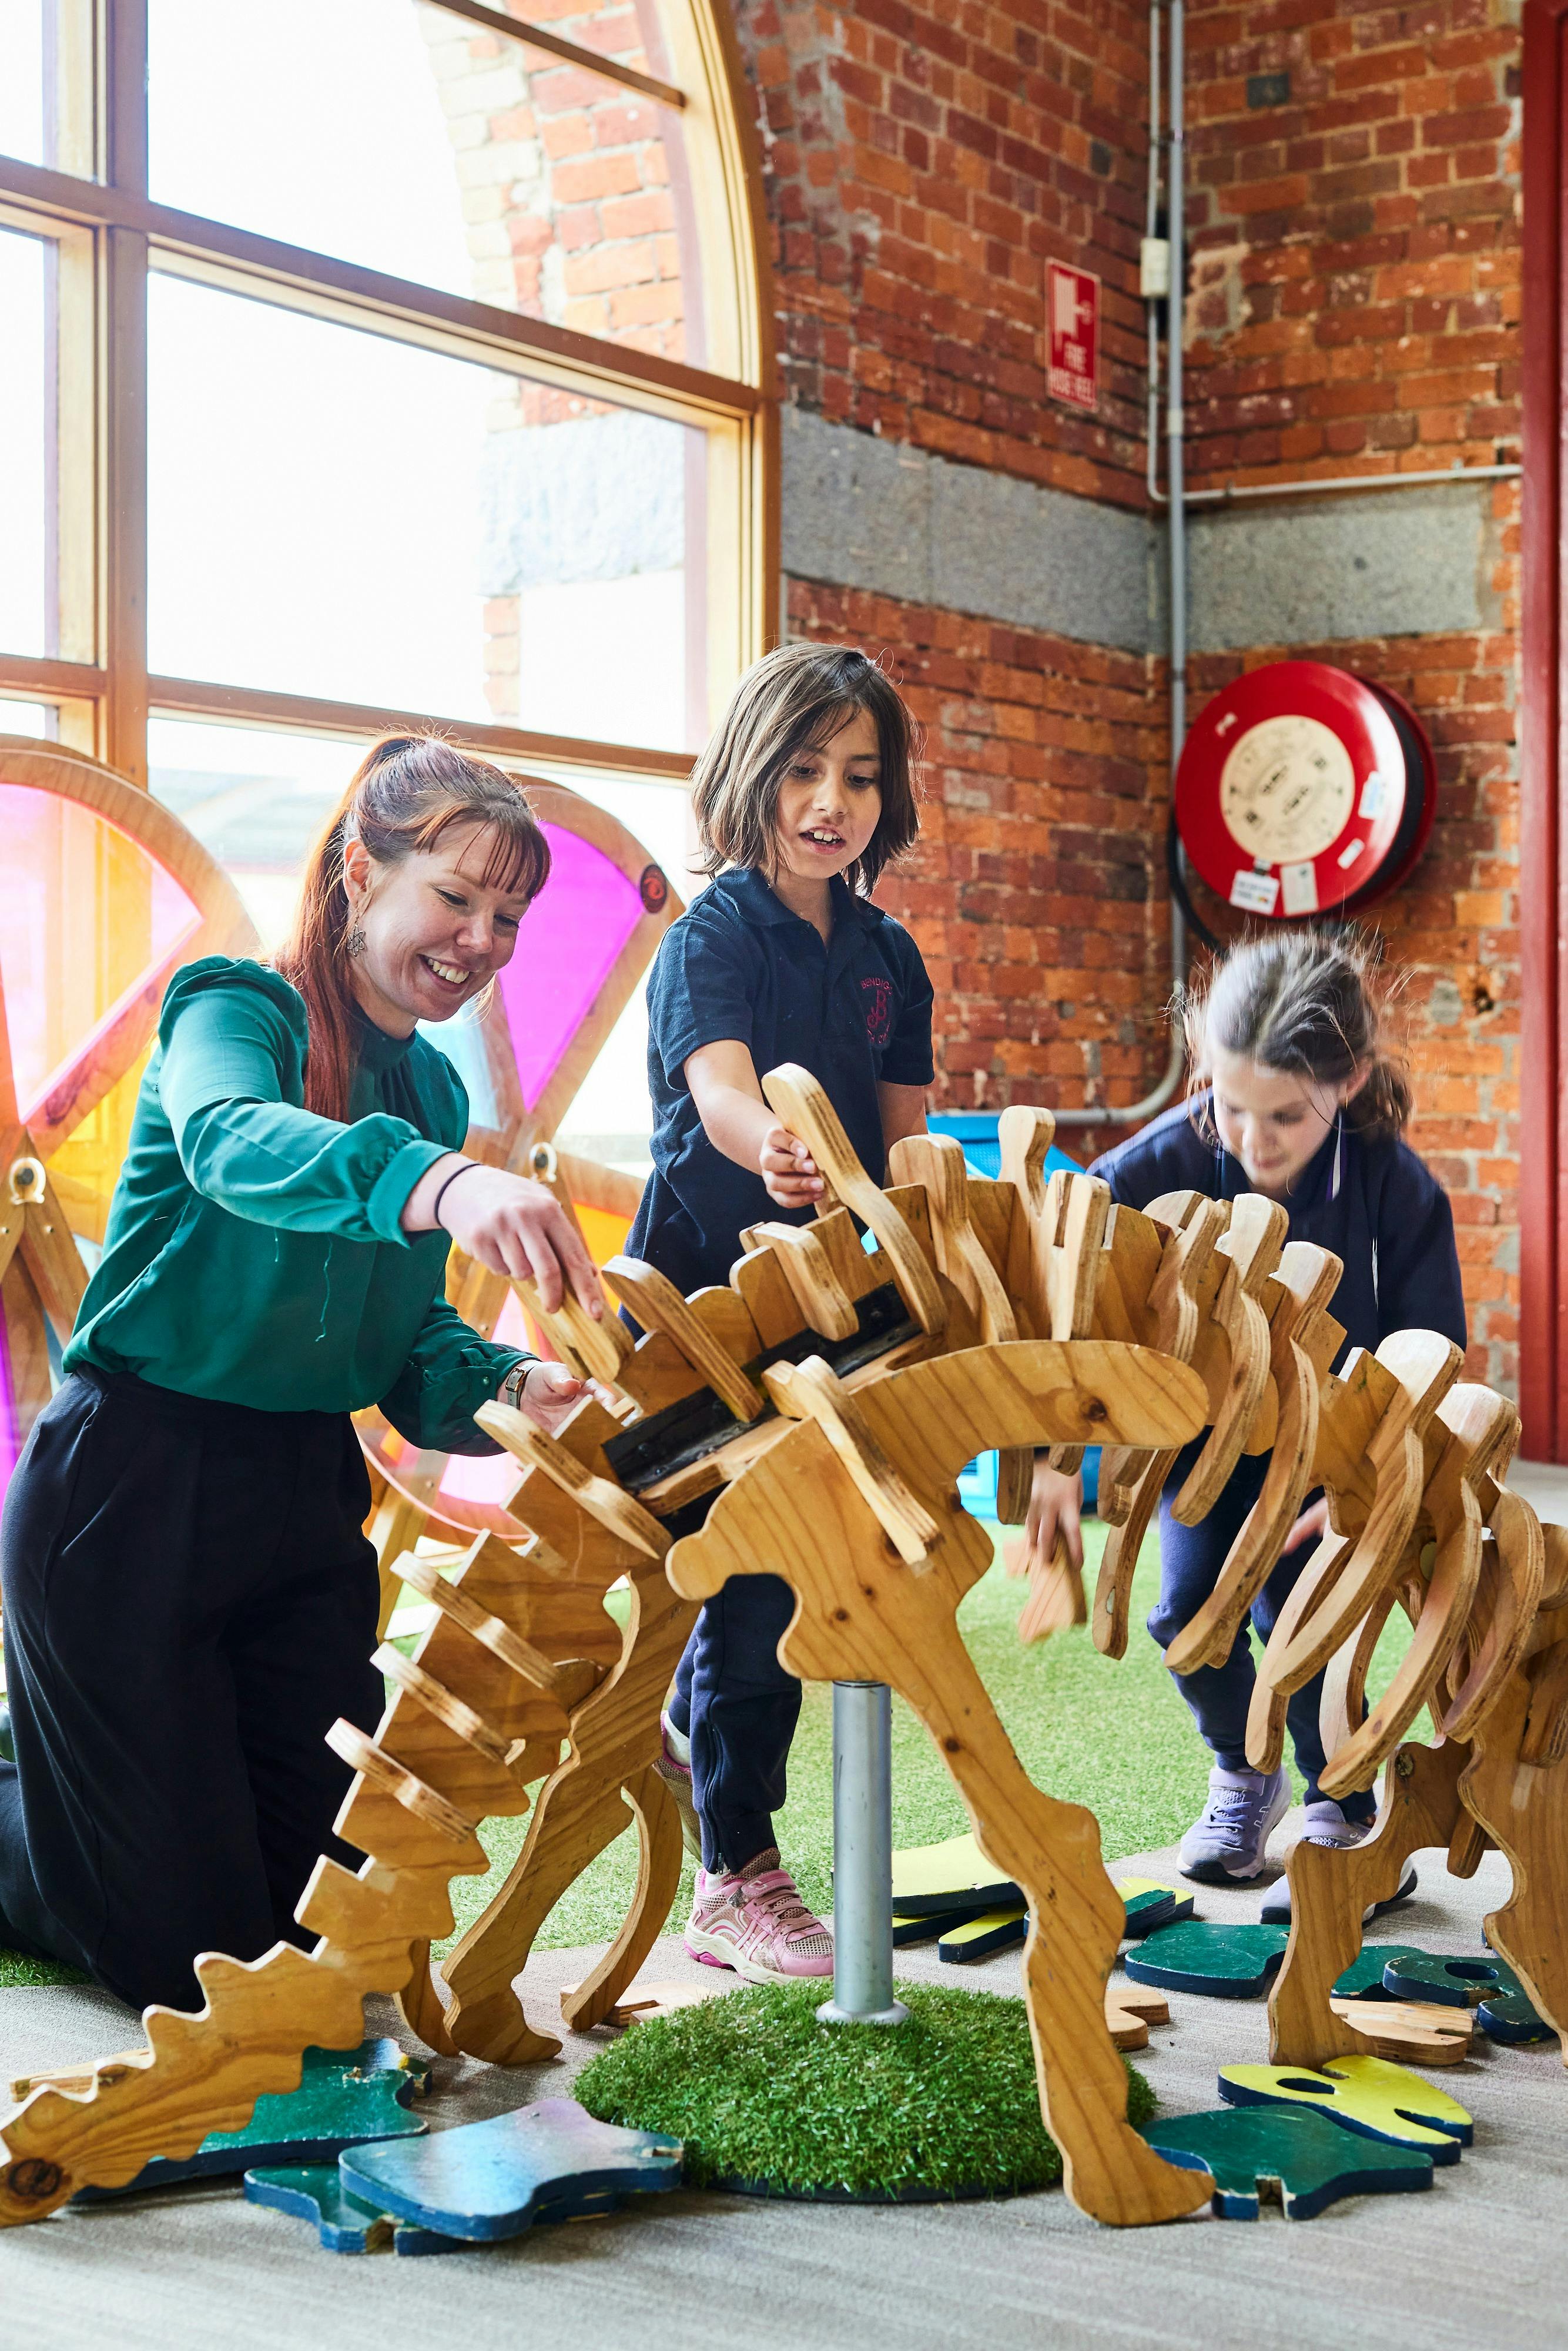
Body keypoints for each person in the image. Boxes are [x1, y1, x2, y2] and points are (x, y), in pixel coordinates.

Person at [0, 735, 606, 2013]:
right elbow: (228, 1140)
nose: (482, 941)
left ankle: (76, 1784)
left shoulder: (431, 1087)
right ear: (356, 870)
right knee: (197, 1969)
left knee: (330, 1930)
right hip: (129, 1491)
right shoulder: (236, 1005)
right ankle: (32, 1799)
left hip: (302, 1511)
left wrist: (510, 1387)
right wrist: (437, 1179)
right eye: (454, 897)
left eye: (507, 915)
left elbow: (403, 1353)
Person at [1021, 931, 1466, 1908]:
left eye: (1286, 1118)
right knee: (1186, 1616)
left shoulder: (1398, 1186)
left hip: (1343, 1450)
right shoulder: (1155, 1164)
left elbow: (1433, 1352)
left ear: (1344, 1085)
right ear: (1205, 1069)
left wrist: (1377, 1485)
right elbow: (1069, 1312)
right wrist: (1054, 1462)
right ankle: (1242, 1773)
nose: (1256, 1141)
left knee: (1296, 1616)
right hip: (1205, 1447)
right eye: (1232, 1107)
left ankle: (1341, 1801)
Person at [629, 642, 933, 1982]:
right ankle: (732, 1868)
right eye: (805, 768)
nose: (832, 800)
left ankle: (729, 1828)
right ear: (750, 774)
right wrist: (779, 1152)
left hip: (840, 1316)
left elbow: (909, 1137)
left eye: (859, 776)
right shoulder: (712, 936)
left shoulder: (887, 954)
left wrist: (925, 1207)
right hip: (707, 1311)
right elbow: (724, 1095)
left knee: (795, 1583)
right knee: (744, 1582)